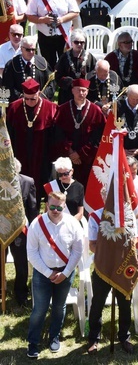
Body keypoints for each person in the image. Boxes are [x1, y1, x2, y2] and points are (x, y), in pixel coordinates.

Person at [26, 190, 83, 359]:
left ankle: (54, 337)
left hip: (65, 272)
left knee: (59, 307)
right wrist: (49, 273)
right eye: (52, 207)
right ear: (46, 205)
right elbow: (32, 253)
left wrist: (65, 274)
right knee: (40, 309)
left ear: (64, 206)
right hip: (43, 272)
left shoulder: (73, 223)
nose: (55, 210)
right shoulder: (36, 224)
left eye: (59, 207)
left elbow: (77, 251)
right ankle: (33, 342)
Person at [87, 187, 136, 355]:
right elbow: (92, 245)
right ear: (103, 198)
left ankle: (124, 336)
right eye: (108, 197)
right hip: (103, 267)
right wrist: (109, 255)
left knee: (125, 302)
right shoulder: (95, 216)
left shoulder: (129, 217)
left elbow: (136, 242)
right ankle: (94, 337)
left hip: (123, 268)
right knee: (98, 303)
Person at [6, 78, 57, 207]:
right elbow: (9, 133)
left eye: (32, 99)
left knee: (41, 181)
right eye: (26, 99)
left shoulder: (50, 108)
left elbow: (55, 136)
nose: (29, 102)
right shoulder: (14, 107)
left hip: (42, 155)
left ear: (38, 93)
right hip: (20, 152)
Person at [53, 78, 106, 187]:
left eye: (84, 90)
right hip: (67, 156)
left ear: (87, 91)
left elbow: (97, 136)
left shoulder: (95, 110)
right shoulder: (63, 109)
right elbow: (58, 133)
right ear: (72, 90)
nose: (81, 93)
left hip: (87, 157)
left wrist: (80, 153)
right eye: (78, 90)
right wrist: (70, 152)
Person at [1, 158, 38, 307]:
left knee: (21, 265)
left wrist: (35, 230)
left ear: (17, 170)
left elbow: (33, 207)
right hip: (1, 229)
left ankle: (21, 294)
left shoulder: (27, 182)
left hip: (19, 231)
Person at [26, 0, 80, 71]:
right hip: (45, 37)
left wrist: (62, 19)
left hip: (63, 35)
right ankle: (50, 84)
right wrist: (42, 20)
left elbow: (76, 12)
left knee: (65, 63)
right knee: (48, 64)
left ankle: (63, 84)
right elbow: (29, 16)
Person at [3, 35, 55, 103]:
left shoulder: (43, 62)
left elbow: (51, 83)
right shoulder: (11, 65)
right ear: (21, 49)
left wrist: (40, 96)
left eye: (33, 49)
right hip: (19, 104)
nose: (31, 52)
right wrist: (23, 97)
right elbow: (8, 86)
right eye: (28, 49)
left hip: (40, 102)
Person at [55, 29, 97, 105]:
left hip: (85, 93)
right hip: (68, 93)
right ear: (71, 43)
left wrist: (85, 82)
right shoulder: (64, 57)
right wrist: (69, 82)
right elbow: (58, 76)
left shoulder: (90, 58)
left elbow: (94, 73)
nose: (79, 45)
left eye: (82, 42)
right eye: (76, 42)